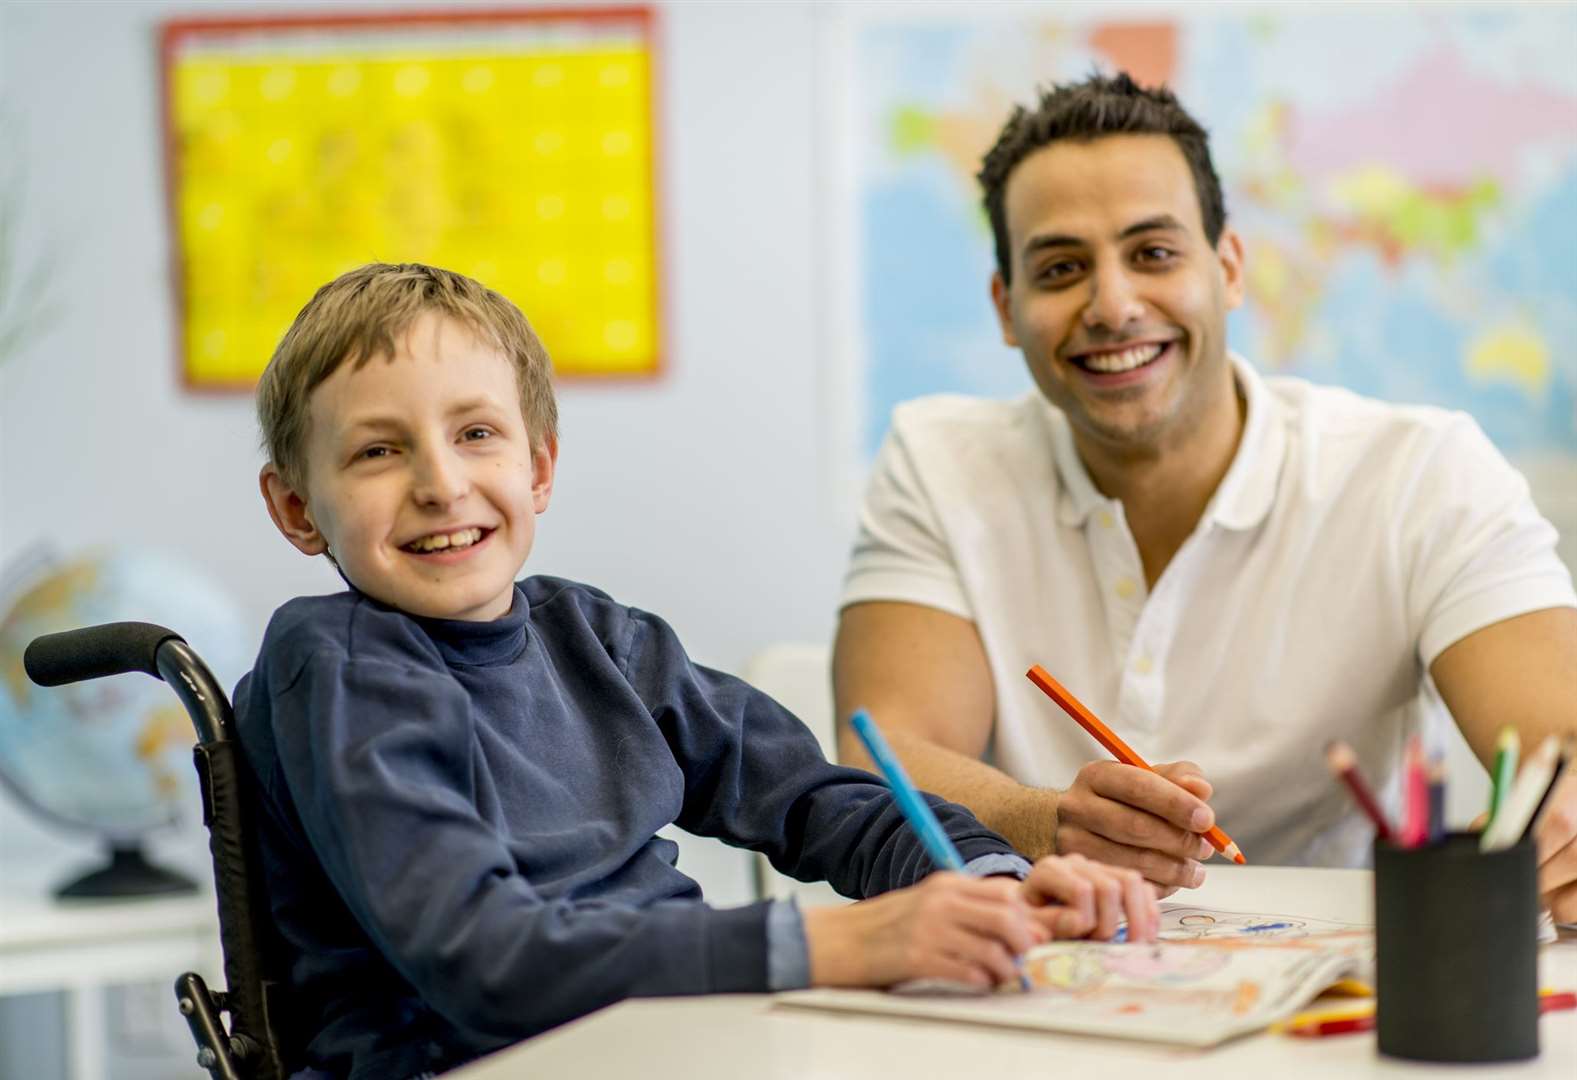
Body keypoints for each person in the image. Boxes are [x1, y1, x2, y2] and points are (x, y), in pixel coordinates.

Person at [235, 262, 1158, 1080]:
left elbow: (813, 796)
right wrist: (837, 941)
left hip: (677, 1042)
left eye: (476, 433)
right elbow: (486, 961)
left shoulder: (598, 638)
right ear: (296, 507)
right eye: (377, 452)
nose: (440, 483)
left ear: (539, 467)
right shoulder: (335, 667)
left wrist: (992, 878)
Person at [833, 73, 1577, 918]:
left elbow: (1557, 746)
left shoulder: (1422, 471)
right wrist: (1042, 823)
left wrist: (1562, 812)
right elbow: (884, 757)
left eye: (1152, 254)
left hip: (1341, 995)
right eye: (1060, 267)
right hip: (1045, 971)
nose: (1111, 306)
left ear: (1227, 269)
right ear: (1007, 308)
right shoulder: (936, 463)